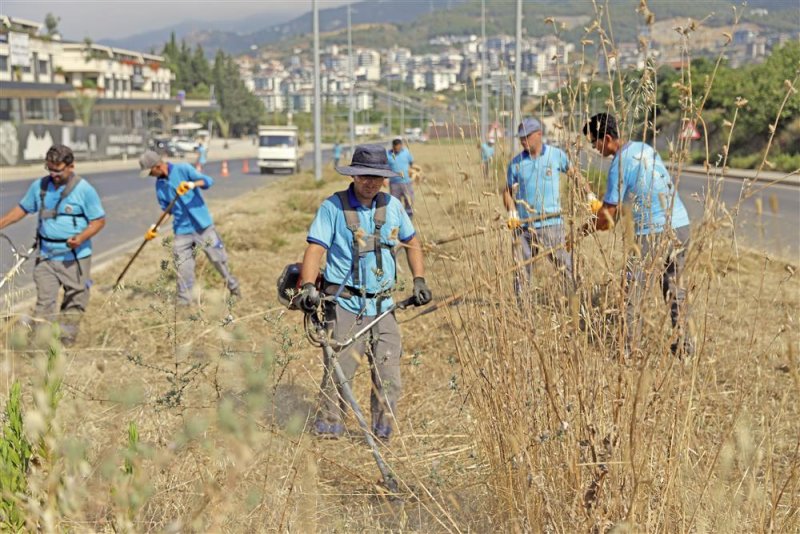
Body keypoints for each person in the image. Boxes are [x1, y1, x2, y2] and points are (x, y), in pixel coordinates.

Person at [297, 144, 432, 441]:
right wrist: (308, 287)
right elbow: (315, 249)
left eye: (376, 176)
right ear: (354, 175)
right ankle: (329, 432)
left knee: (389, 378)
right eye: (364, 176)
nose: (370, 182)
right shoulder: (332, 207)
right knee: (338, 375)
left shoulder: (393, 207)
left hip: (383, 307)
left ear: (384, 178)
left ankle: (382, 435)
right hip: (345, 305)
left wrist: (419, 279)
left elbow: (412, 242)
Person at [581, 113, 694, 357]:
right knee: (675, 287)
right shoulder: (645, 148)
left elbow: (607, 217)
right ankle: (685, 348)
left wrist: (582, 230)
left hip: (653, 233)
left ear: (607, 138)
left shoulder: (619, 164)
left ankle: (628, 350)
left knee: (631, 290)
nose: (593, 148)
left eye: (594, 142)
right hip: (681, 224)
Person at [0, 144, 106, 345]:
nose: (54, 174)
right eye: (50, 169)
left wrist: (81, 238)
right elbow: (22, 209)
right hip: (46, 257)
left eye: (58, 170)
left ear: (71, 166)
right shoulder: (40, 186)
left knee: (75, 300)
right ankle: (41, 344)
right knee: (44, 303)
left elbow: (99, 221)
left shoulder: (84, 190)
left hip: (75, 257)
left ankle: (65, 341)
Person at [138, 150, 240, 305]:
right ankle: (184, 302)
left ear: (157, 166)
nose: (150, 176)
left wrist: (192, 184)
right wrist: (156, 227)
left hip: (202, 226)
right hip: (182, 230)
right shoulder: (160, 185)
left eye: (150, 171)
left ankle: (234, 287)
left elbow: (207, 181)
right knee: (183, 267)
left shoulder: (183, 169)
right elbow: (167, 210)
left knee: (218, 259)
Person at [504, 117, 573, 296]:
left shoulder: (556, 155)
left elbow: (575, 175)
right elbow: (507, 192)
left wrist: (589, 196)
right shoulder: (516, 163)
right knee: (521, 271)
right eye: (520, 138)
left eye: (526, 137)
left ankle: (574, 305)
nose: (523, 141)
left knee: (565, 267)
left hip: (552, 223)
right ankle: (523, 313)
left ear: (539, 134)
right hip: (524, 227)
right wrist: (512, 212)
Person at [386, 138, 415, 218]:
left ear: (401, 146)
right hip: (394, 183)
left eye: (399, 147)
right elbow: (385, 167)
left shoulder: (406, 152)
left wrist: (412, 172)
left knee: (409, 200)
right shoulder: (388, 154)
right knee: (395, 202)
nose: (397, 149)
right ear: (393, 147)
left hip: (406, 182)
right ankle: (398, 218)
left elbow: (411, 163)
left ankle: (409, 217)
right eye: (395, 147)